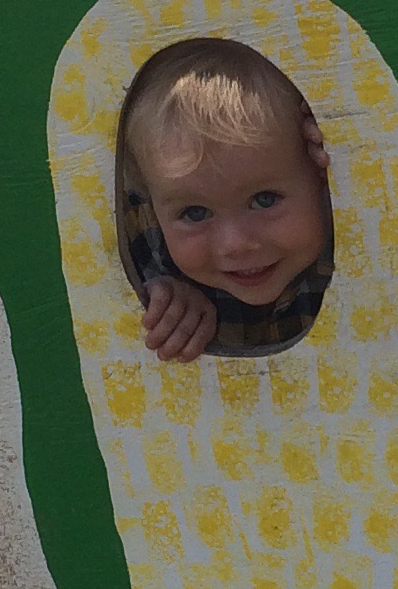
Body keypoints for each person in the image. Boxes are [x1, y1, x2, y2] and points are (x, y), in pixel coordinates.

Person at [115, 38, 333, 361]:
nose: (235, 244)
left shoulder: (368, 225)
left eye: (264, 199)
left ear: (323, 176)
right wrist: (157, 297)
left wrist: (347, 148)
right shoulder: (146, 243)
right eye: (195, 213)